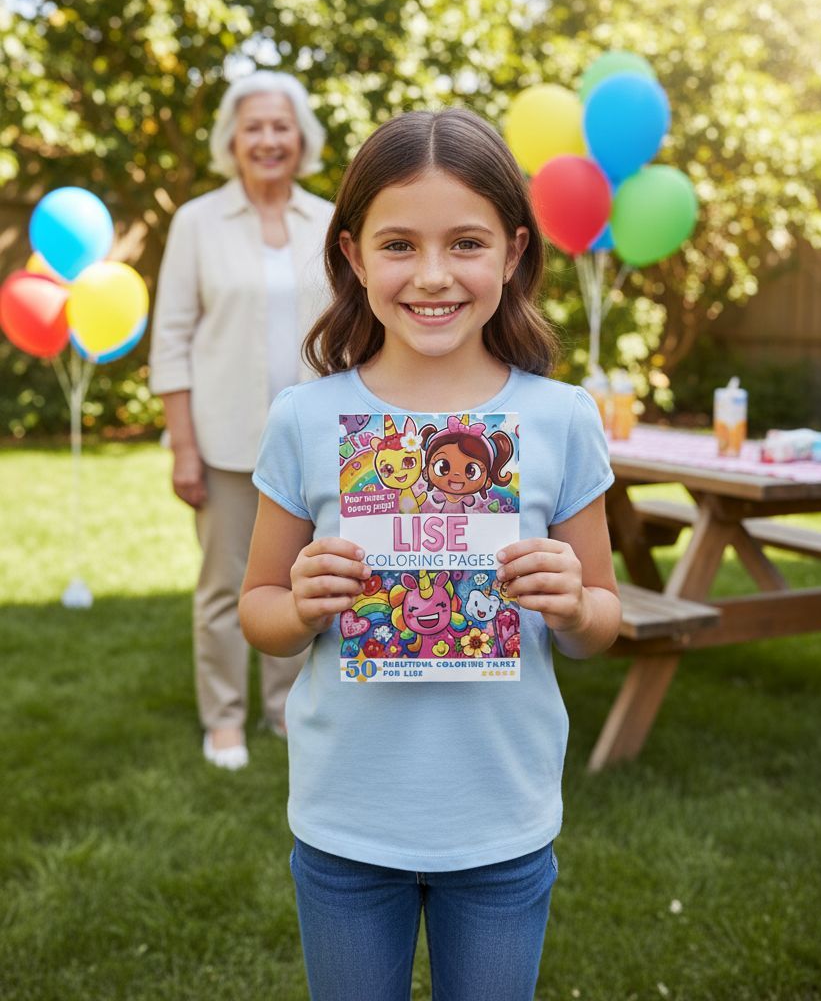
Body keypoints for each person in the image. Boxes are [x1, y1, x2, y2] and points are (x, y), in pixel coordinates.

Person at [239, 108, 620, 999]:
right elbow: (258, 609)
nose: (434, 274)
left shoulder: (562, 418)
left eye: (467, 243)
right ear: (352, 255)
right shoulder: (306, 419)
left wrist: (573, 604)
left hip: (501, 821)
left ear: (514, 252)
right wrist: (299, 605)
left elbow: (602, 622)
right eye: (400, 245)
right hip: (346, 821)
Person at [149, 71, 334, 771]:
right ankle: (224, 717)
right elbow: (171, 339)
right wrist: (183, 448)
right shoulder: (197, 222)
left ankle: (285, 708)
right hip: (225, 441)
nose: (268, 139)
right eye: (253, 127)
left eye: (280, 126)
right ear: (232, 138)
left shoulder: (330, 220)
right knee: (225, 587)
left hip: (312, 442)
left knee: (300, 581)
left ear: (301, 138)